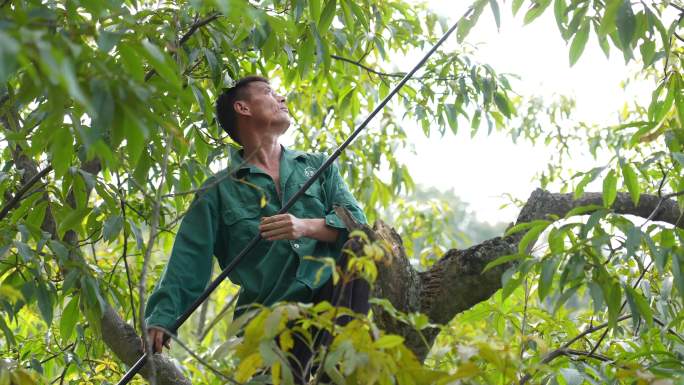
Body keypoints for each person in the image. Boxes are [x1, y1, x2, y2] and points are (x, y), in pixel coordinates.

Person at [143, 75, 370, 383]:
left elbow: (359, 228)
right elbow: (188, 259)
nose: (282, 98)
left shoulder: (317, 166)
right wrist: (162, 317)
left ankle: (339, 370)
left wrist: (304, 226)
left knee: (361, 251)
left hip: (331, 301)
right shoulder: (218, 191)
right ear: (243, 107)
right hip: (267, 323)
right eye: (269, 92)